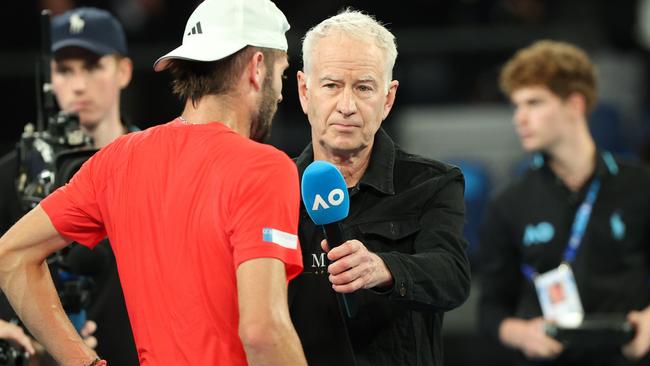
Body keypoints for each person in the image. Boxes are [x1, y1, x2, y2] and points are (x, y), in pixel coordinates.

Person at [0, 0, 307, 365]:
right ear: (258, 68)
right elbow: (263, 333)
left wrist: (83, 363)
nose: (282, 92)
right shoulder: (265, 167)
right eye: (282, 73)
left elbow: (11, 254)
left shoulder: (119, 159)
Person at [288, 9, 471, 366]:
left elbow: (453, 276)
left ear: (387, 99)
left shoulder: (434, 183)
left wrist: (383, 269)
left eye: (363, 88)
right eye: (331, 85)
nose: (346, 106)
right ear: (304, 91)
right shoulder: (271, 188)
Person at [477, 40, 650, 366]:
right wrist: (522, 333)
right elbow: (490, 310)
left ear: (575, 104)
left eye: (534, 103)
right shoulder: (509, 202)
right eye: (516, 105)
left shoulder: (640, 186)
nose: (520, 118)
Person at [0, 7, 138, 365]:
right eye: (64, 70)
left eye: (92, 67)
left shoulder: (154, 162)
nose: (79, 85)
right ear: (49, 77)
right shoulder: (17, 172)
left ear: (123, 71)